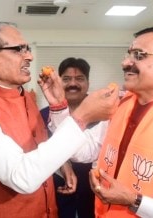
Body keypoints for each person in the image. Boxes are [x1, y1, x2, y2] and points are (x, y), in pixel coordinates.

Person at [0, 21, 119, 217]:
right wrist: (82, 118)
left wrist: (63, 166)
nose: (29, 56)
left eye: (27, 48)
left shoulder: (26, 96)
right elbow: (20, 175)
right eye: (19, 49)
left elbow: (38, 145)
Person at [85, 25, 153, 217]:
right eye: (128, 54)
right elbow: (88, 149)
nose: (125, 63)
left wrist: (134, 201)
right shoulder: (122, 102)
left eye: (139, 55)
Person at [51, 57, 108, 218]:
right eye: (66, 79)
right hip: (58, 195)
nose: (72, 84)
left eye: (79, 79)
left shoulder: (105, 114)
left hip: (96, 194)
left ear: (88, 83)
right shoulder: (44, 115)